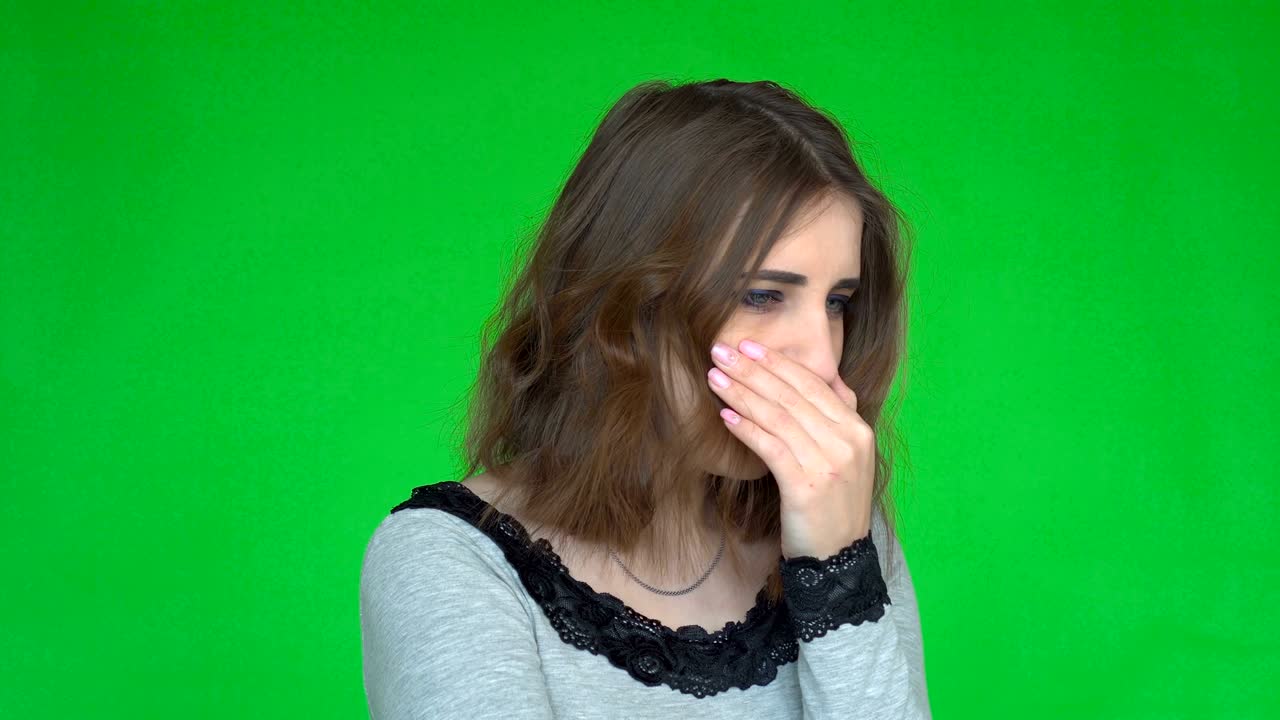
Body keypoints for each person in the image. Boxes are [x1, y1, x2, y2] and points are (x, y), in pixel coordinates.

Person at [359, 78, 931, 718]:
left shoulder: (840, 529)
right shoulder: (449, 561)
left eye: (837, 303)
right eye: (763, 295)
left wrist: (839, 576)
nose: (824, 359)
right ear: (627, 307)